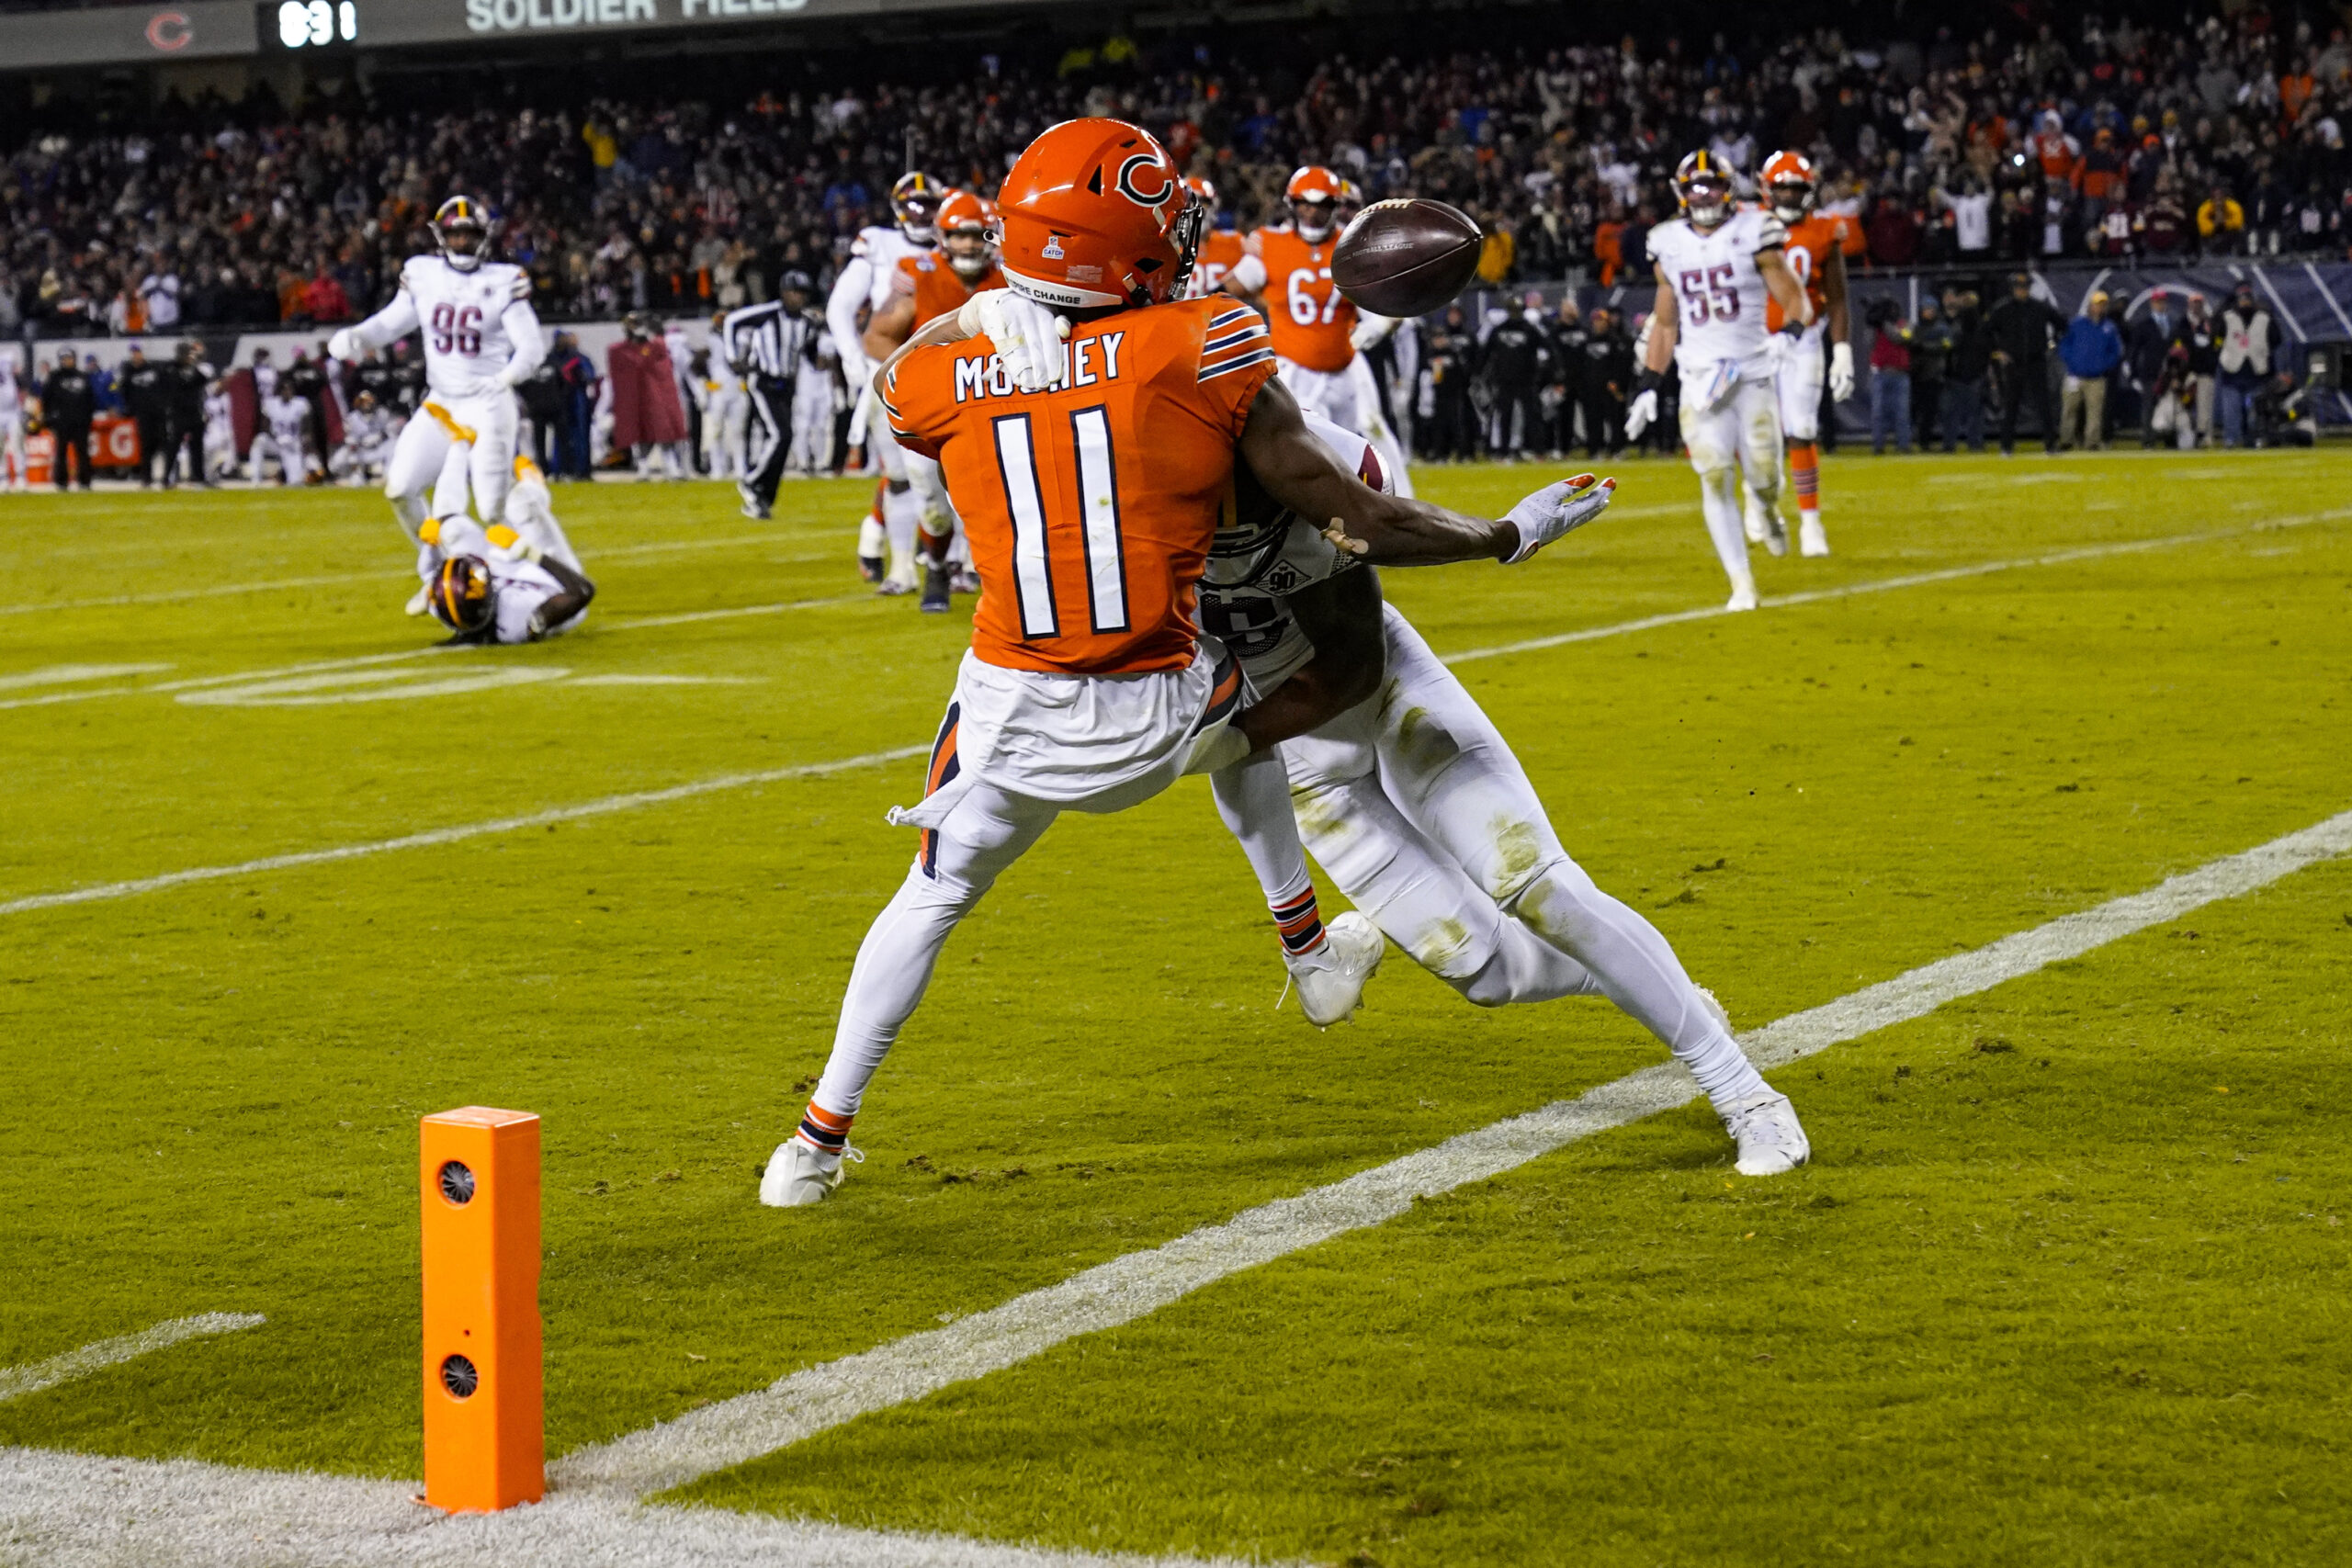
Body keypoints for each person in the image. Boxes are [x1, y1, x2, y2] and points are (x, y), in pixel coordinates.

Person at [760, 118, 1616, 1208]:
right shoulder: (1201, 340)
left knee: (930, 897)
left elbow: (904, 394)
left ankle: (814, 1142)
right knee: (1249, 705)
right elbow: (1344, 508)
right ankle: (1304, 946)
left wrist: (984, 314)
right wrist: (1503, 534)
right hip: (1159, 713)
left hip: (1011, 713)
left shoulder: (944, 370)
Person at [1197, 412, 1809, 1175]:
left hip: (1374, 688)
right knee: (1488, 974)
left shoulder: (1312, 460)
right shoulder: (1108, 526)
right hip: (1290, 757)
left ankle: (1748, 1095)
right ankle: (1638, 978)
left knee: (1537, 887)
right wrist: (1300, 936)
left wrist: (1509, 534)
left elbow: (1351, 662)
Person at [326, 195, 545, 615]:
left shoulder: (505, 279)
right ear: (442, 236)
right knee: (400, 487)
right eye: (455, 233)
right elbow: (393, 322)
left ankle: (522, 585)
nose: (462, 241)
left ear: (483, 237)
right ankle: (437, 576)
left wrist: (501, 381)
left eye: (470, 233)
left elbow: (530, 350)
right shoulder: (422, 272)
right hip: (442, 403)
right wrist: (358, 337)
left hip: (488, 405)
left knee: (491, 506)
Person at [1626, 149, 1814, 611]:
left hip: (1751, 373)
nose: (1704, 195)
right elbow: (1666, 322)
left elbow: (1797, 298)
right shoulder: (1668, 242)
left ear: (1729, 189)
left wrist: (1790, 334)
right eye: (1695, 187)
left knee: (1764, 476)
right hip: (1700, 376)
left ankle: (1767, 509)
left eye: (1711, 185)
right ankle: (1742, 583)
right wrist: (1649, 386)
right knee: (1713, 473)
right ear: (1681, 194)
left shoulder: (1756, 231)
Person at [1222, 164, 1412, 496]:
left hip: (1345, 362)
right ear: (1292, 205)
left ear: (1335, 207)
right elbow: (1227, 293)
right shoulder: (1269, 243)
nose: (1312, 213)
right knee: (1310, 443)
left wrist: (1380, 324)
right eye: (1305, 204)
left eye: (1322, 205)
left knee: (1371, 429)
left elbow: (1384, 303)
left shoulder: (1352, 244)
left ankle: (1403, 502)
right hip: (1293, 366)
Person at [863, 189, 1004, 609]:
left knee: (998, 495)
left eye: (978, 235)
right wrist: (914, 378)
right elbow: (877, 335)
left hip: (989, 403)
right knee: (932, 501)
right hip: (932, 407)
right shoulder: (919, 272)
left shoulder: (1009, 276)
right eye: (960, 236)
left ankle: (994, 576)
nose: (970, 244)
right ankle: (938, 566)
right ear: (942, 237)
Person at [827, 171, 944, 584]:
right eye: (912, 205)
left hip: (945, 367)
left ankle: (947, 561)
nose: (920, 213)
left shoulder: (957, 245)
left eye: (927, 204)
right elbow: (841, 306)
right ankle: (900, 563)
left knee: (950, 474)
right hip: (891, 367)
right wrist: (852, 359)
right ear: (897, 209)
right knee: (903, 474)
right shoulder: (880, 244)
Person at [1758, 151, 1854, 558]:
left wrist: (1844, 349)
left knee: (1802, 428)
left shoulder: (1824, 230)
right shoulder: (1747, 228)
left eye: (1795, 188)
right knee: (1757, 433)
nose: (1788, 195)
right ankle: (1759, 505)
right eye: (1781, 187)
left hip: (1804, 340)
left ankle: (1810, 521)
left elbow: (1837, 297)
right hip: (1756, 341)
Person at [721, 273, 823, 518]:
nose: (798, 297)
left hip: (787, 384)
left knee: (782, 438)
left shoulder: (807, 323)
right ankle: (751, 480)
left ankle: (763, 497)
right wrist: (732, 357)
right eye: (795, 292)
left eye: (802, 293)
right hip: (763, 380)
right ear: (784, 292)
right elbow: (731, 321)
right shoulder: (767, 314)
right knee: (781, 434)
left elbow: (810, 351)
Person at [418, 513, 595, 647]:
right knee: (522, 503)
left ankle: (424, 592)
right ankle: (531, 478)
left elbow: (436, 577)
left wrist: (433, 535)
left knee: (452, 527)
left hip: (507, 578)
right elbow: (582, 591)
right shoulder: (517, 622)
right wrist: (531, 553)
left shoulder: (445, 605)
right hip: (558, 582)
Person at [1985, 273, 2065, 456]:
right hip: (2014, 363)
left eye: (2025, 287)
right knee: (2011, 405)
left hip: (2036, 360)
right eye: (2019, 287)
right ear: (2013, 289)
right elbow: (1985, 332)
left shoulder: (2039, 308)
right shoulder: (2002, 309)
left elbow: (2061, 324)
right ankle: (2006, 447)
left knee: (2044, 405)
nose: (2022, 291)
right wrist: (1998, 351)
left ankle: (2050, 446)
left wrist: (2051, 344)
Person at [607, 312, 692, 479]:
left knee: (664, 430)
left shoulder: (657, 346)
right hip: (636, 398)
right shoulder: (620, 350)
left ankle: (671, 466)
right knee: (640, 433)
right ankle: (643, 467)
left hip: (656, 396)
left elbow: (662, 370)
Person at [1476, 292, 1553, 460]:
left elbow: (1548, 348)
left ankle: (1538, 450)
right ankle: (1503, 451)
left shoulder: (1530, 329)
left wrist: (1551, 371)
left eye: (1517, 310)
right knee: (1505, 417)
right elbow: (1485, 353)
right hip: (1505, 380)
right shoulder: (1500, 329)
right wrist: (1477, 373)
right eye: (1512, 310)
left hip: (1527, 379)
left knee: (1532, 416)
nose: (1515, 314)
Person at [2216, 281, 2282, 448]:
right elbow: (2215, 336)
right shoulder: (2227, 317)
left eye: (2247, 298)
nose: (2244, 302)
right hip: (2232, 371)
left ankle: (2252, 439)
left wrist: (2263, 354)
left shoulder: (2264, 317)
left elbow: (2276, 339)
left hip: (2256, 373)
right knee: (2231, 411)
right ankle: (2231, 440)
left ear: (2253, 300)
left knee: (2255, 412)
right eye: (2241, 298)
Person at [2056, 290, 2124, 450]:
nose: (2099, 308)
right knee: (2069, 410)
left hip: (2096, 377)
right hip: (2074, 375)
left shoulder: (2109, 327)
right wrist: (2072, 362)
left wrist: (2104, 365)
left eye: (2102, 305)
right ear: (2090, 305)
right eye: (2097, 304)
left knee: (2095, 413)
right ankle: (2066, 440)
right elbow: (2064, 345)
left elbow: (2116, 351)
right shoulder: (2076, 324)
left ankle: (2092, 442)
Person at [1577, 306, 1634, 459]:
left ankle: (1617, 449)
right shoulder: (1586, 340)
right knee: (1593, 420)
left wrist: (1616, 382)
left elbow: (1620, 364)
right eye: (1596, 320)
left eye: (1601, 320)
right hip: (1591, 387)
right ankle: (1595, 450)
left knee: (1615, 419)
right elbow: (1581, 364)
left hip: (1609, 387)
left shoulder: (1614, 340)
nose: (1598, 324)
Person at [2129, 289, 2183, 446]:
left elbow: (2179, 350)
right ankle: (2148, 440)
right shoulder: (2144, 325)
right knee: (2149, 407)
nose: (2160, 304)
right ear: (2152, 304)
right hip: (2151, 373)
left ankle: (2170, 440)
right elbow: (2134, 350)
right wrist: (2134, 372)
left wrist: (2178, 371)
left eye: (2163, 301)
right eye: (2157, 302)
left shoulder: (2173, 324)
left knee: (2172, 407)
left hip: (2170, 373)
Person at [41, 352, 96, 491]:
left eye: (69, 358)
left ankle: (85, 481)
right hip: (62, 421)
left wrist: (88, 418)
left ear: (74, 359)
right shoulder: (54, 377)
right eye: (64, 359)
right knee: (61, 452)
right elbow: (46, 398)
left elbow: (90, 399)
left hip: (80, 421)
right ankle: (61, 482)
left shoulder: (82, 376)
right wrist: (49, 417)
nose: (67, 361)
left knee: (82, 452)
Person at [120, 344, 171, 488]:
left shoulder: (155, 369)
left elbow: (165, 387)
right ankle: (146, 479)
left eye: (138, 352)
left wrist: (164, 405)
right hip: (143, 414)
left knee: (164, 444)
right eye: (133, 353)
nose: (136, 355)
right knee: (146, 447)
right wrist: (130, 409)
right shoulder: (128, 372)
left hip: (159, 413)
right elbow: (123, 392)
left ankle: (167, 477)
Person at [1866, 303, 1914, 454]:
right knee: (1878, 412)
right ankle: (1878, 445)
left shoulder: (1906, 325)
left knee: (1902, 412)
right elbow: (1868, 342)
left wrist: (1884, 322)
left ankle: (1904, 445)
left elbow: (1900, 337)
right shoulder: (1875, 327)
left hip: (1900, 374)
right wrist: (1873, 321)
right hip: (1880, 373)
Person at [1907, 299, 1948, 452]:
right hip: (1917, 375)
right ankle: (1910, 441)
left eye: (1931, 309)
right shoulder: (1916, 328)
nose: (1929, 312)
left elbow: (1947, 345)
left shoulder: (1941, 328)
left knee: (1931, 412)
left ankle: (1925, 442)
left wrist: (1924, 346)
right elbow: (1909, 342)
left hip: (1934, 375)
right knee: (1914, 411)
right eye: (1926, 309)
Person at [333, 389, 396, 483]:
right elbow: (350, 439)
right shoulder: (352, 418)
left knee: (393, 445)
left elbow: (391, 431)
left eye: (369, 401)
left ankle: (388, 474)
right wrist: (357, 442)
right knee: (337, 461)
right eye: (364, 402)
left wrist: (380, 436)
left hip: (379, 447)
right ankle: (351, 475)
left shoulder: (382, 413)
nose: (367, 404)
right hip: (361, 450)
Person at [0, 346, 26, 490]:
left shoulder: (7, 357)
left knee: (17, 445)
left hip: (12, 411)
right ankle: (2, 478)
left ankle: (21, 476)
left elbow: (20, 377)